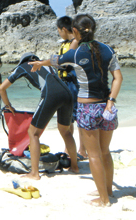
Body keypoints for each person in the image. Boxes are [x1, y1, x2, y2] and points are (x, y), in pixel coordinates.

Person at [30, 14, 123, 207]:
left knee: (94, 155)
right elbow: (118, 78)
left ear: (75, 32)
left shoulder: (75, 53)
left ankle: (103, 200)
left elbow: (56, 60)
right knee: (105, 153)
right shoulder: (108, 50)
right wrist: (111, 101)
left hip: (88, 108)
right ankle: (107, 191)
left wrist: (40, 63)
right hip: (107, 107)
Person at [0, 52, 79, 181]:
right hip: (67, 92)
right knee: (65, 131)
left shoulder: (24, 66)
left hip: (51, 93)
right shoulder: (46, 64)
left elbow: (2, 88)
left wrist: (8, 105)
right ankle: (75, 167)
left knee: (33, 132)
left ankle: (34, 173)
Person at [56, 16, 86, 158]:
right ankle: (71, 148)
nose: (58, 33)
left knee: (76, 116)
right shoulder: (68, 42)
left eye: (58, 30)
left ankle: (81, 149)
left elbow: (66, 62)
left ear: (63, 29)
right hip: (66, 83)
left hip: (73, 84)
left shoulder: (76, 42)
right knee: (70, 117)